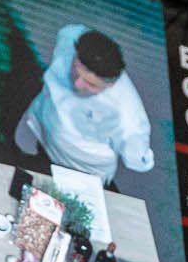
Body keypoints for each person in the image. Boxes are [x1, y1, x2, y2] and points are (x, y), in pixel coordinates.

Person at [15, 25, 155, 184]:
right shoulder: (70, 35)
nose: (77, 84)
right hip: (41, 128)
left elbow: (138, 160)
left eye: (90, 84)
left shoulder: (128, 117)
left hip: (81, 168)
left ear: (110, 85)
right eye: (76, 69)